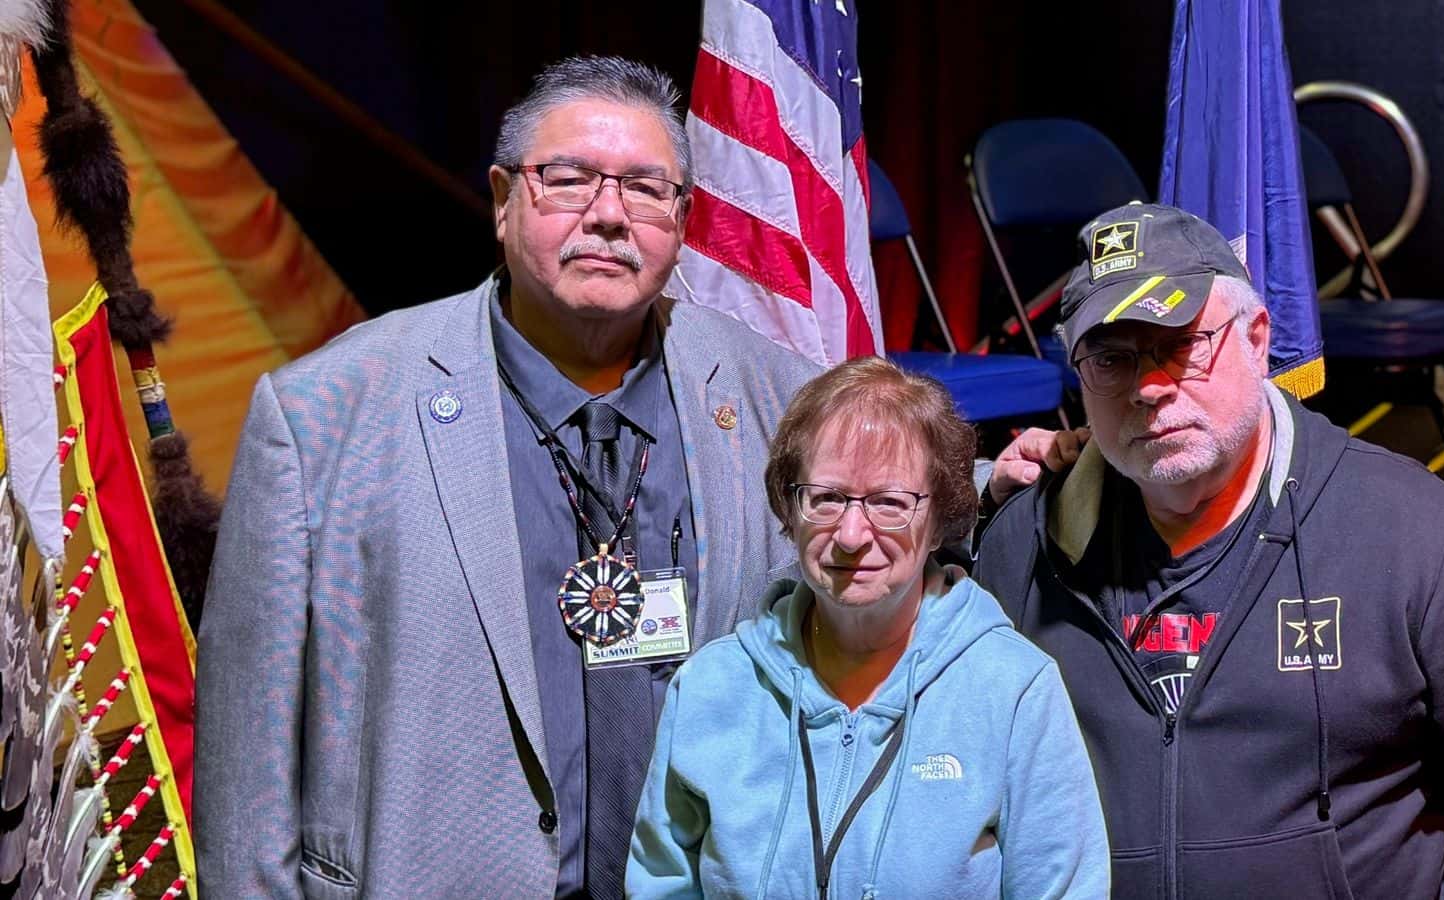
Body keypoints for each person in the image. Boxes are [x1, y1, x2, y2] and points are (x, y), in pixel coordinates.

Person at [195, 56, 1061, 898]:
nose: (609, 216)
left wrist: (992, 484)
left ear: (682, 224)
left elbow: (875, 492)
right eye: (567, 178)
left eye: (646, 189)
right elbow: (247, 764)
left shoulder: (761, 389)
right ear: (502, 201)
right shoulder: (323, 417)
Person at [974, 202, 1444, 899]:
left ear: (1258, 339)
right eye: (1113, 358)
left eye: (1181, 344)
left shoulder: (1411, 533)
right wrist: (977, 496)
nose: (1148, 387)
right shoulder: (1020, 546)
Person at [627, 356, 1109, 899]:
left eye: (888, 502)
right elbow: (660, 884)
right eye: (827, 498)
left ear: (939, 520)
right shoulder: (711, 688)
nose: (852, 534)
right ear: (790, 508)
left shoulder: (1014, 689)